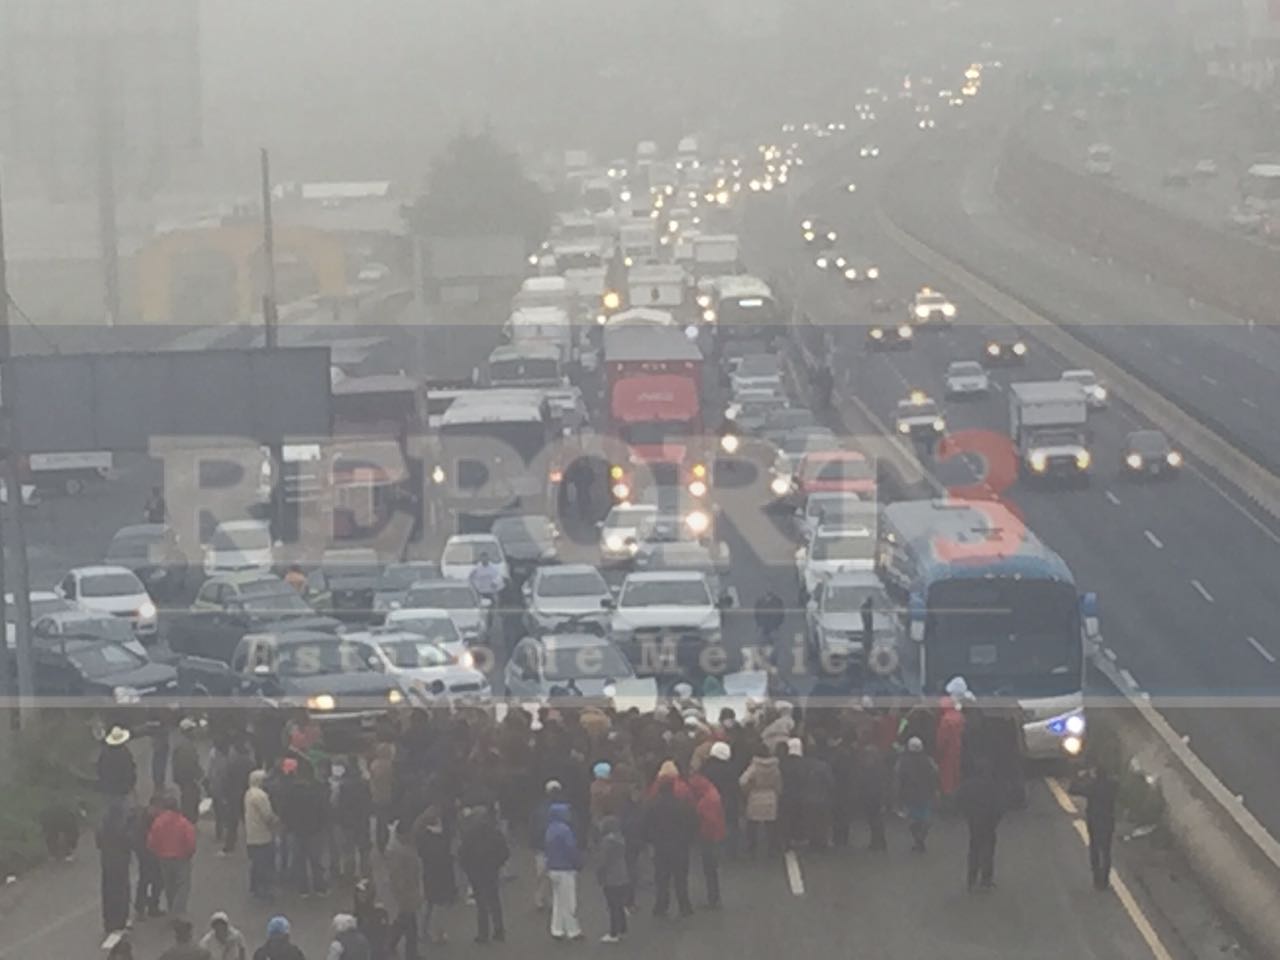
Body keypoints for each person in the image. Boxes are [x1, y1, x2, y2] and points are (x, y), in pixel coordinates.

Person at [644, 777, 697, 918]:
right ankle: (684, 906)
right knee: (681, 878)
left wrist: (652, 840)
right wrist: (688, 840)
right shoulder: (683, 806)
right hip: (680, 847)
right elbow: (693, 824)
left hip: (661, 848)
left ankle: (661, 906)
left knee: (662, 879)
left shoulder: (653, 807)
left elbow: (646, 827)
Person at [458, 805, 510, 943]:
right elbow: (505, 852)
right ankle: (499, 931)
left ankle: (483, 934)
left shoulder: (469, 834)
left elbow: (462, 855)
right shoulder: (495, 833)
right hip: (491, 871)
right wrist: (496, 864)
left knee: (481, 904)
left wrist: (468, 870)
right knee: (494, 901)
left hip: (476, 873)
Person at [147, 791, 197, 916]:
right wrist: (189, 853)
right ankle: (178, 911)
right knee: (182, 886)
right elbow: (190, 841)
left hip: (164, 858)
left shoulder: (158, 822)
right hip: (181, 858)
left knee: (169, 886)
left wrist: (157, 852)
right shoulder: (183, 823)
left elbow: (151, 841)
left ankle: (171, 908)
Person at [958, 762, 1005, 891]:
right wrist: (995, 821)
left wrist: (967, 815)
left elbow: (959, 800)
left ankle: (971, 879)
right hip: (989, 823)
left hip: (974, 821)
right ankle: (986, 880)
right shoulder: (993, 787)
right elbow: (1000, 806)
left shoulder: (968, 785)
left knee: (974, 849)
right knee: (988, 851)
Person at [1071, 764, 1120, 890]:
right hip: (1108, 819)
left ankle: (1097, 878)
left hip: (1094, 820)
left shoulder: (1092, 787)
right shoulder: (1112, 785)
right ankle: (1105, 879)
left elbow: (1073, 789)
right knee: (1106, 849)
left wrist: (1080, 776)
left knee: (1094, 848)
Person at [413, 808, 456, 944]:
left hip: (428, 874)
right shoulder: (441, 838)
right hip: (441, 875)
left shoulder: (422, 837)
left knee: (428, 904)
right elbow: (446, 857)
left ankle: (422, 931)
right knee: (440, 906)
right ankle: (439, 933)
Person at [544, 801, 583, 940]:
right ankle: (573, 930)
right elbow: (571, 849)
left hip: (553, 869)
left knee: (558, 901)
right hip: (565, 869)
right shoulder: (565, 830)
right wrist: (578, 863)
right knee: (569, 901)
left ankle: (557, 928)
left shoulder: (550, 828)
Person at [385, 821, 423, 960]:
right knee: (411, 926)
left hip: (409, 891)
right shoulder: (397, 851)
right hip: (405, 893)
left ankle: (390, 944)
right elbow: (397, 875)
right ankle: (411, 954)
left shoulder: (404, 847)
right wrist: (403, 892)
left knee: (403, 921)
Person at [688, 772, 726, 908]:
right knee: (711, 869)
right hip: (715, 835)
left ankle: (713, 897)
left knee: (709, 868)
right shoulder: (712, 794)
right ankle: (713, 896)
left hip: (708, 838)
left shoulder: (706, 802)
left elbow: (708, 820)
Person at [97, 796, 134, 935]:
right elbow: (129, 841)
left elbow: (98, 843)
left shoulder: (102, 826)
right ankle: (121, 922)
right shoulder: (122, 826)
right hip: (121, 862)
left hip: (106, 862)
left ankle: (109, 922)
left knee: (108, 892)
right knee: (122, 891)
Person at [895, 737, 939, 853]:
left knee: (913, 820)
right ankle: (920, 840)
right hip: (925, 794)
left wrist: (897, 796)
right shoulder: (928, 761)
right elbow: (935, 776)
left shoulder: (903, 761)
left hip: (910, 795)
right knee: (925, 819)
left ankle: (918, 840)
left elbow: (898, 778)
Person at [739, 744, 782, 857]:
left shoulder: (754, 766)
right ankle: (773, 847)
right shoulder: (775, 766)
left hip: (756, 795)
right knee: (771, 824)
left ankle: (751, 847)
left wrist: (748, 789)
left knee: (753, 823)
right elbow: (779, 782)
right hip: (770, 795)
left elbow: (743, 780)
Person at [334, 757, 373, 881]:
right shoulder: (365, 783)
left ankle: (348, 875)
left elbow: (339, 804)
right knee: (364, 849)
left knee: (348, 850)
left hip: (347, 821)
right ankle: (366, 873)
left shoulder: (343, 785)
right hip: (362, 819)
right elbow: (369, 801)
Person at [701, 742, 740, 858]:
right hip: (728, 800)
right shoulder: (731, 768)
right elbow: (735, 786)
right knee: (730, 824)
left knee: (710, 825)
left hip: (710, 802)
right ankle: (731, 850)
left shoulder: (706, 768)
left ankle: (710, 850)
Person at [244, 769, 279, 900]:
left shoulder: (248, 793)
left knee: (255, 863)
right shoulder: (261, 796)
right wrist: (278, 823)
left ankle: (254, 887)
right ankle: (264, 891)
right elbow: (268, 815)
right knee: (264, 864)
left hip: (251, 835)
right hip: (263, 835)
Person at [595, 815, 629, 943]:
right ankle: (623, 929)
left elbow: (602, 862)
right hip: (622, 876)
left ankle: (613, 933)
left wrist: (599, 874)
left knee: (612, 906)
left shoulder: (606, 843)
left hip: (611, 878)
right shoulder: (620, 839)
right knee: (619, 905)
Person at [172, 718, 204, 827]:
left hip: (183, 779)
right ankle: (188, 824)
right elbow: (191, 764)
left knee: (187, 800)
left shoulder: (181, 744)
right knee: (190, 802)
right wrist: (199, 775)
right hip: (188, 780)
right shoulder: (187, 746)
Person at [98, 726, 138, 797]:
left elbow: (101, 769)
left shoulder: (106, 753)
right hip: (122, 788)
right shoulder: (125, 753)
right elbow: (129, 770)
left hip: (109, 788)